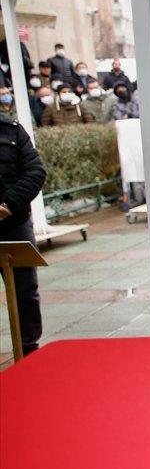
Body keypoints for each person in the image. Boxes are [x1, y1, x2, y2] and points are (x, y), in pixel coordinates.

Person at [0, 115, 47, 355]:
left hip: (13, 222)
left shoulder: (13, 131)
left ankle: (29, 349)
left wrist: (7, 205)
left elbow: (35, 172)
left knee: (25, 293)